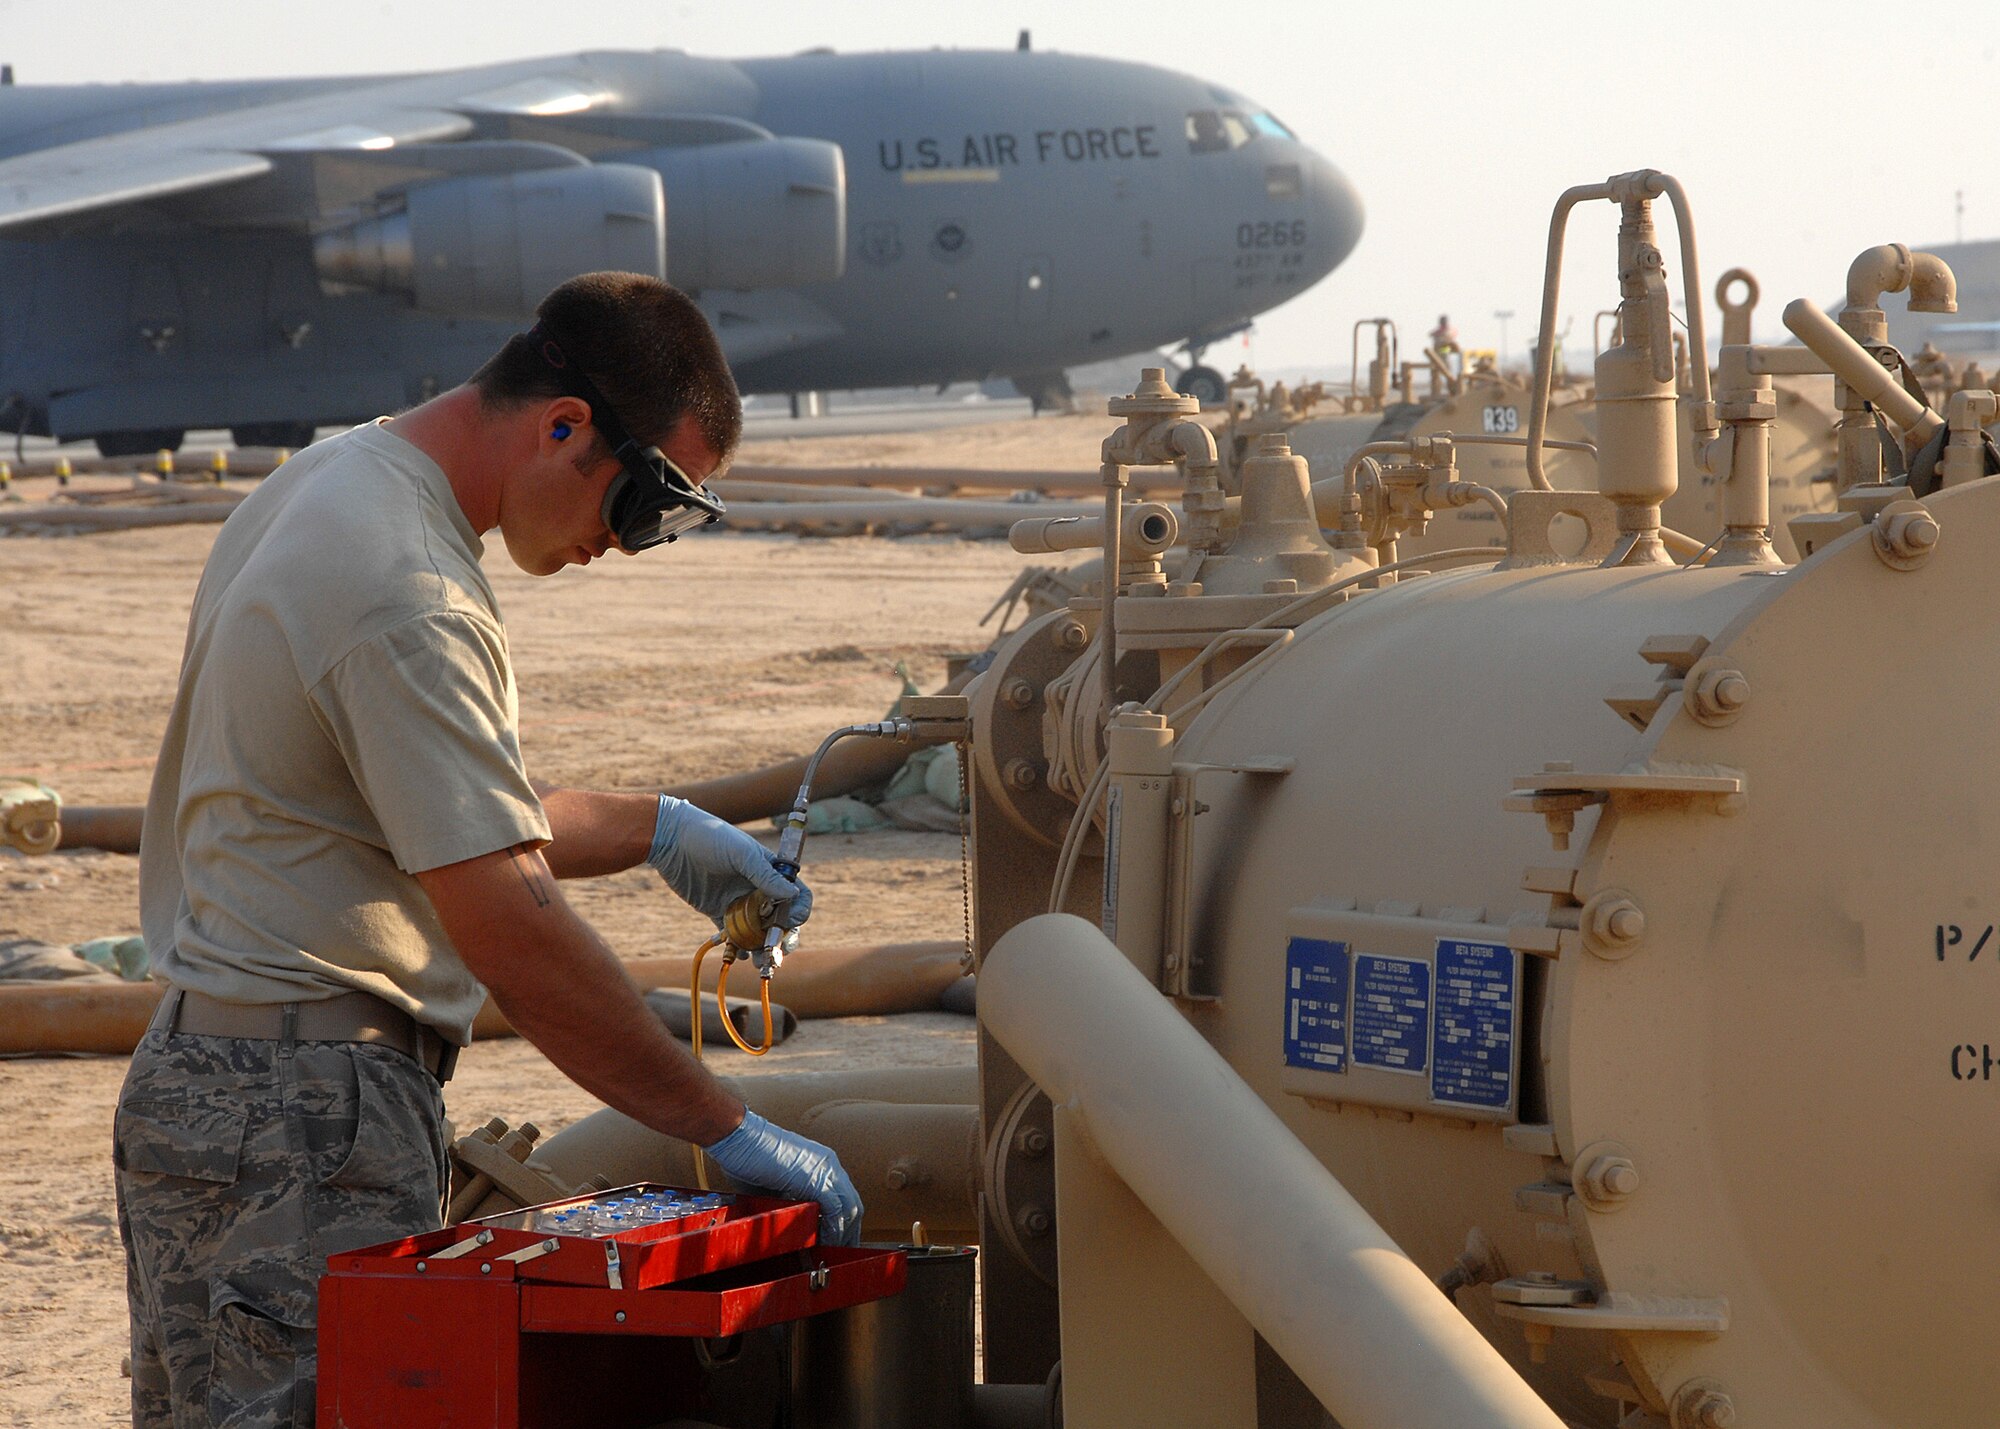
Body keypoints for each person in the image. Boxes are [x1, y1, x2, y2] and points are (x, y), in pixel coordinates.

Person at [113, 271, 861, 1429]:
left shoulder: (332, 478)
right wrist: (720, 1122)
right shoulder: (410, 594)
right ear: (565, 424)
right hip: (302, 1117)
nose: (622, 546)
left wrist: (660, 826)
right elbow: (507, 918)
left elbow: (420, 811)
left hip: (210, 1084)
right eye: (641, 502)